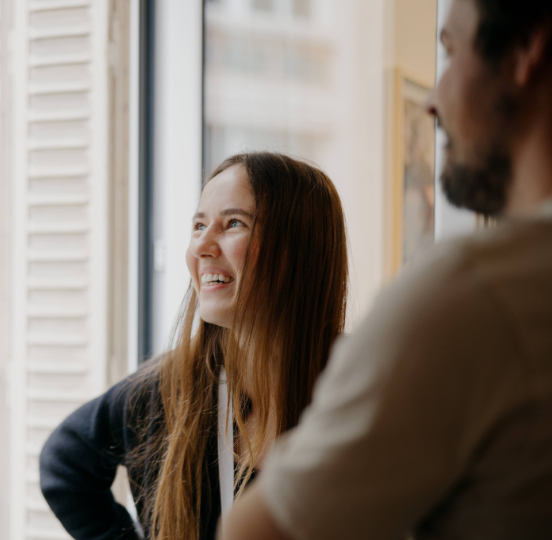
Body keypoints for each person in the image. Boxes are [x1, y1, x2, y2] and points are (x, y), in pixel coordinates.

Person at [222, 1, 552, 539]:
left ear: (525, 50)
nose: (432, 100)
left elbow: (258, 532)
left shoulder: (470, 295)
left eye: (451, 50)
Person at [39, 152, 349, 540]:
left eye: (233, 223)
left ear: (300, 249)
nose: (201, 246)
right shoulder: (169, 390)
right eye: (199, 226)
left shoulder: (365, 391)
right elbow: (63, 462)